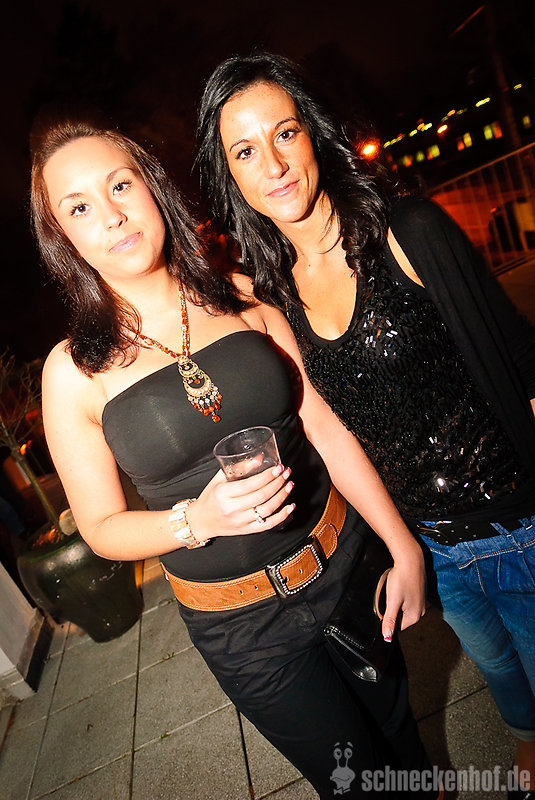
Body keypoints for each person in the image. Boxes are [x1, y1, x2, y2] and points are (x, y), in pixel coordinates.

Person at [31, 119, 441, 799]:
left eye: (120, 186)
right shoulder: (73, 372)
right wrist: (197, 520)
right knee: (357, 783)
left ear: (152, 187)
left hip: (345, 565)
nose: (110, 215)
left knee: (405, 746)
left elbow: (324, 429)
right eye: (79, 208)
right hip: (243, 628)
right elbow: (101, 529)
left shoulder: (243, 296)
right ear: (63, 239)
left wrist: (403, 548)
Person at [196, 52, 535, 799]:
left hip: (517, 526)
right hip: (428, 547)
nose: (272, 164)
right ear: (230, 178)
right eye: (244, 151)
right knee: (498, 668)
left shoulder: (407, 231)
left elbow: (519, 357)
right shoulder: (275, 296)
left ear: (314, 134)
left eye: (284, 134)